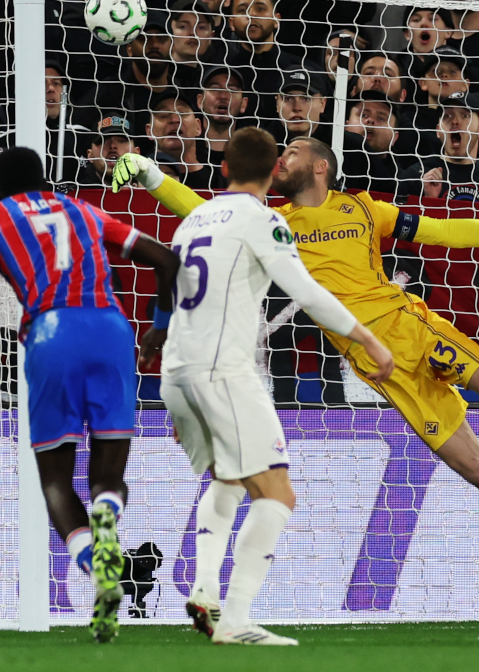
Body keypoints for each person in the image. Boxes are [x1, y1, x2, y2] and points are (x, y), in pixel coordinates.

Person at [115, 140, 479, 583]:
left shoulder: (364, 208)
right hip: (383, 370)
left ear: (320, 166)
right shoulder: (270, 221)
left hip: (412, 330)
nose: (283, 158)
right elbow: (203, 211)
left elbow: (444, 231)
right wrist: (150, 173)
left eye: (295, 151)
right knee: (476, 469)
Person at [0, 146, 178, 643]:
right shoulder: (82, 209)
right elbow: (166, 259)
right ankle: (108, 515)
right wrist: (162, 326)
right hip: (111, 329)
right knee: (108, 476)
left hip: (50, 332)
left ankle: (96, 565)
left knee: (55, 480)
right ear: (44, 179)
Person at [144, 127, 394, 645]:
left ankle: (206, 589)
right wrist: (369, 339)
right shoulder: (263, 220)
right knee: (277, 492)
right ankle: (234, 619)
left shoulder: (193, 219)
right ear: (271, 170)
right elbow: (305, 290)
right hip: (223, 372)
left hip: (179, 372)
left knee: (230, 479)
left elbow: (169, 289)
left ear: (224, 168)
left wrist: (182, 392)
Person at [399, 90, 479, 205]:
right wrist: (429, 200)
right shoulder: (415, 176)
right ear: (438, 130)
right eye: (447, 116)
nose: (455, 122)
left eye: (465, 115)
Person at [270, 67, 327, 146]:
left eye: (306, 99)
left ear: (323, 104)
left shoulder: (343, 143)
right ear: (277, 104)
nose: (297, 108)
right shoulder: (260, 144)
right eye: (288, 99)